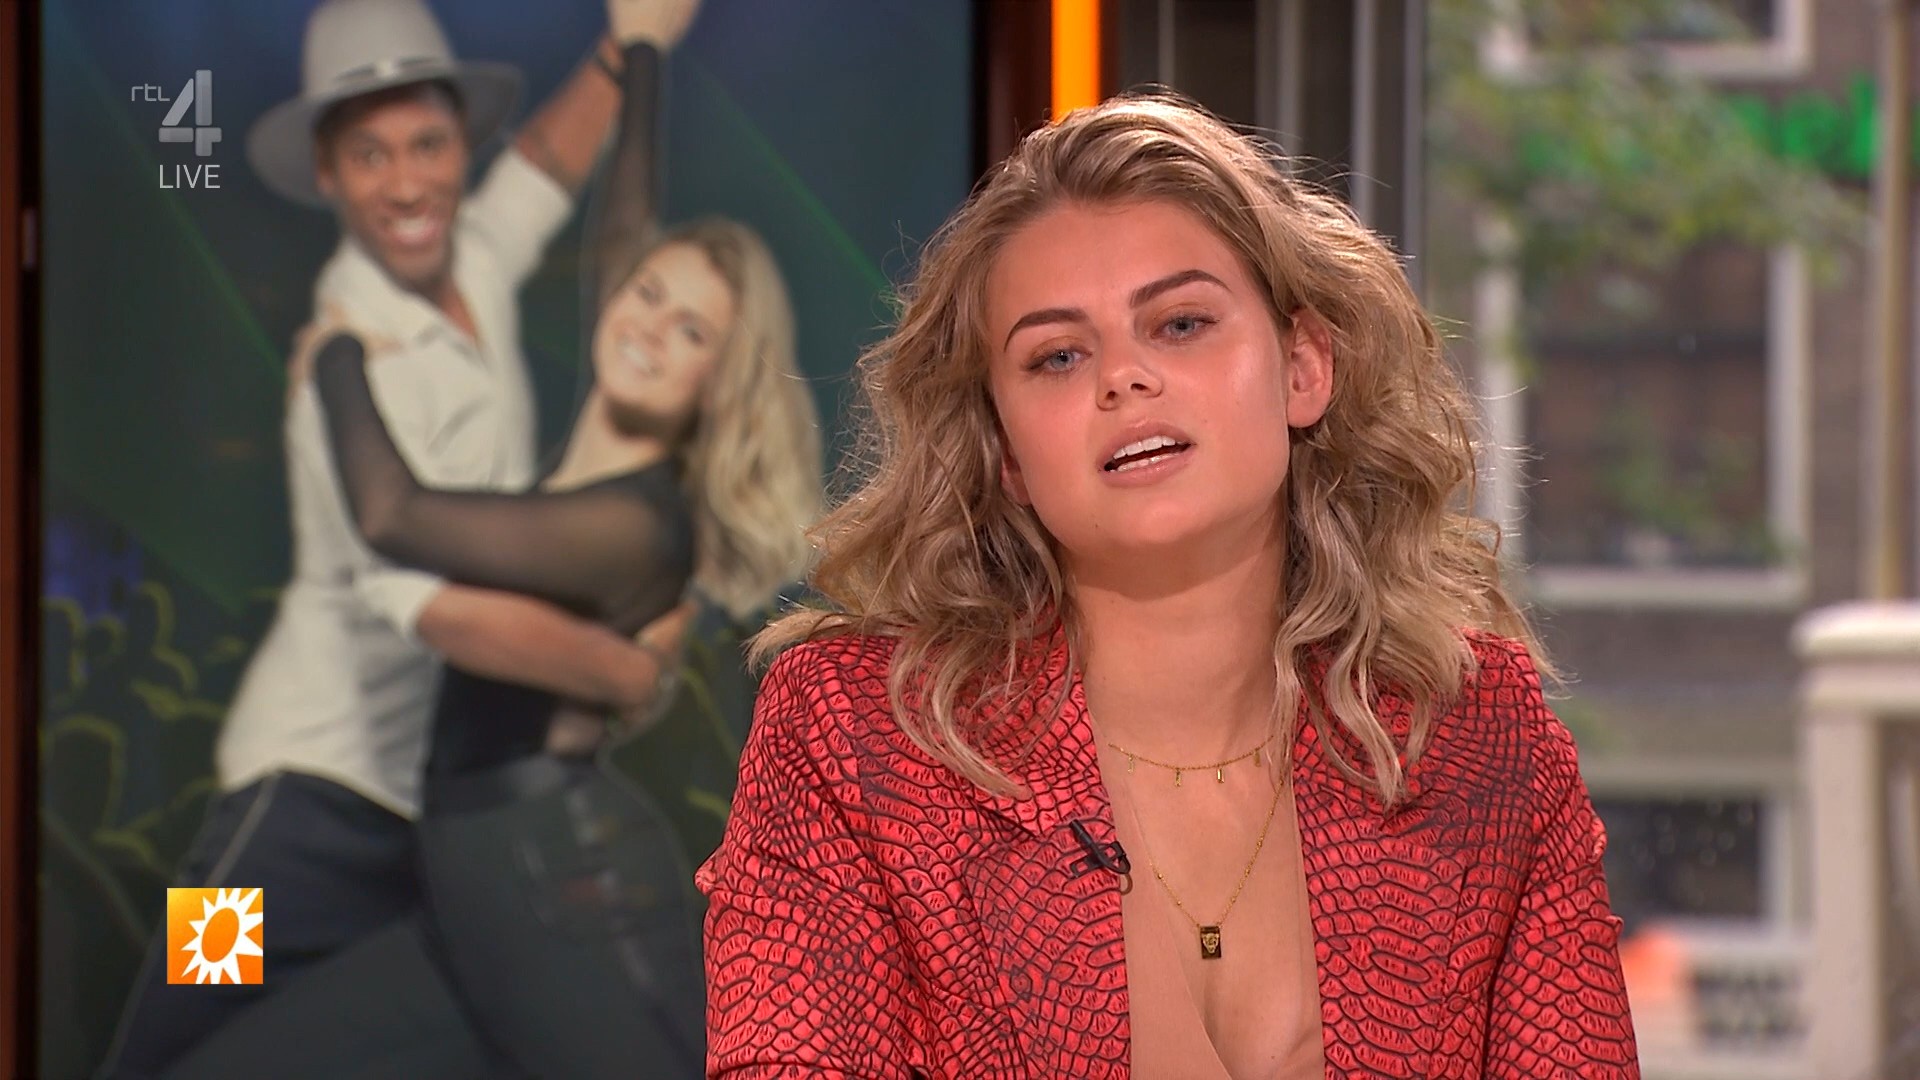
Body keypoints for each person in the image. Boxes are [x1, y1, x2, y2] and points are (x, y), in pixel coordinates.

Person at [698, 94, 1641, 1079]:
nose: (1124, 378)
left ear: (1303, 368)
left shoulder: (1483, 738)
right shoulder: (854, 739)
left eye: (1181, 323)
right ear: (1008, 452)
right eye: (1058, 356)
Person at [160, 6, 823, 1077]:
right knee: (176, 1034)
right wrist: (619, 668)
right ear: (327, 176)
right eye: (370, 154)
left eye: (428, 144)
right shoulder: (357, 351)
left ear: (460, 150)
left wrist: (632, 52)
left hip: (436, 838)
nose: (406, 179)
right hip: (298, 811)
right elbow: (428, 601)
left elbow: (572, 186)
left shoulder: (476, 264)